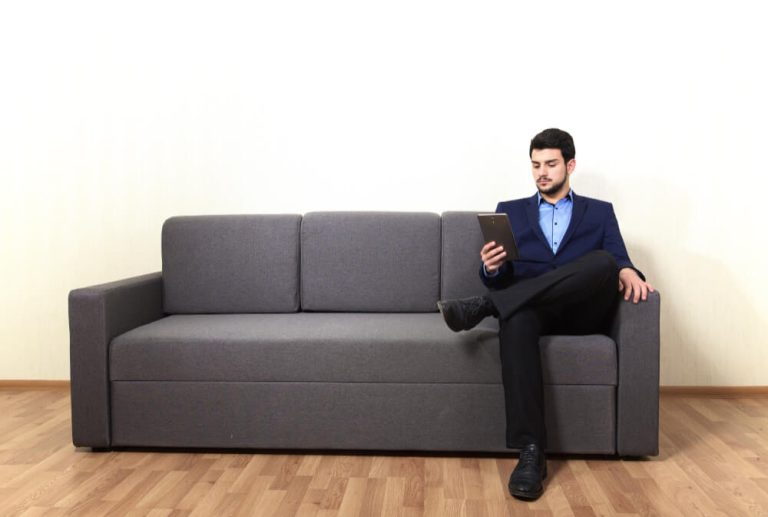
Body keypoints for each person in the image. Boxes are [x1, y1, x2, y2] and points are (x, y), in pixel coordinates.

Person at [437, 128, 654, 501]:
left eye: (551, 164)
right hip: (533, 311)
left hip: (584, 311)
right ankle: (531, 454)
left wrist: (628, 270)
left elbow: (617, 258)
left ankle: (486, 306)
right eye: (536, 165)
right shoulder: (511, 210)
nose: (542, 172)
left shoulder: (599, 213)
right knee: (516, 317)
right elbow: (501, 274)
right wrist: (490, 270)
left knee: (601, 262)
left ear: (569, 165)